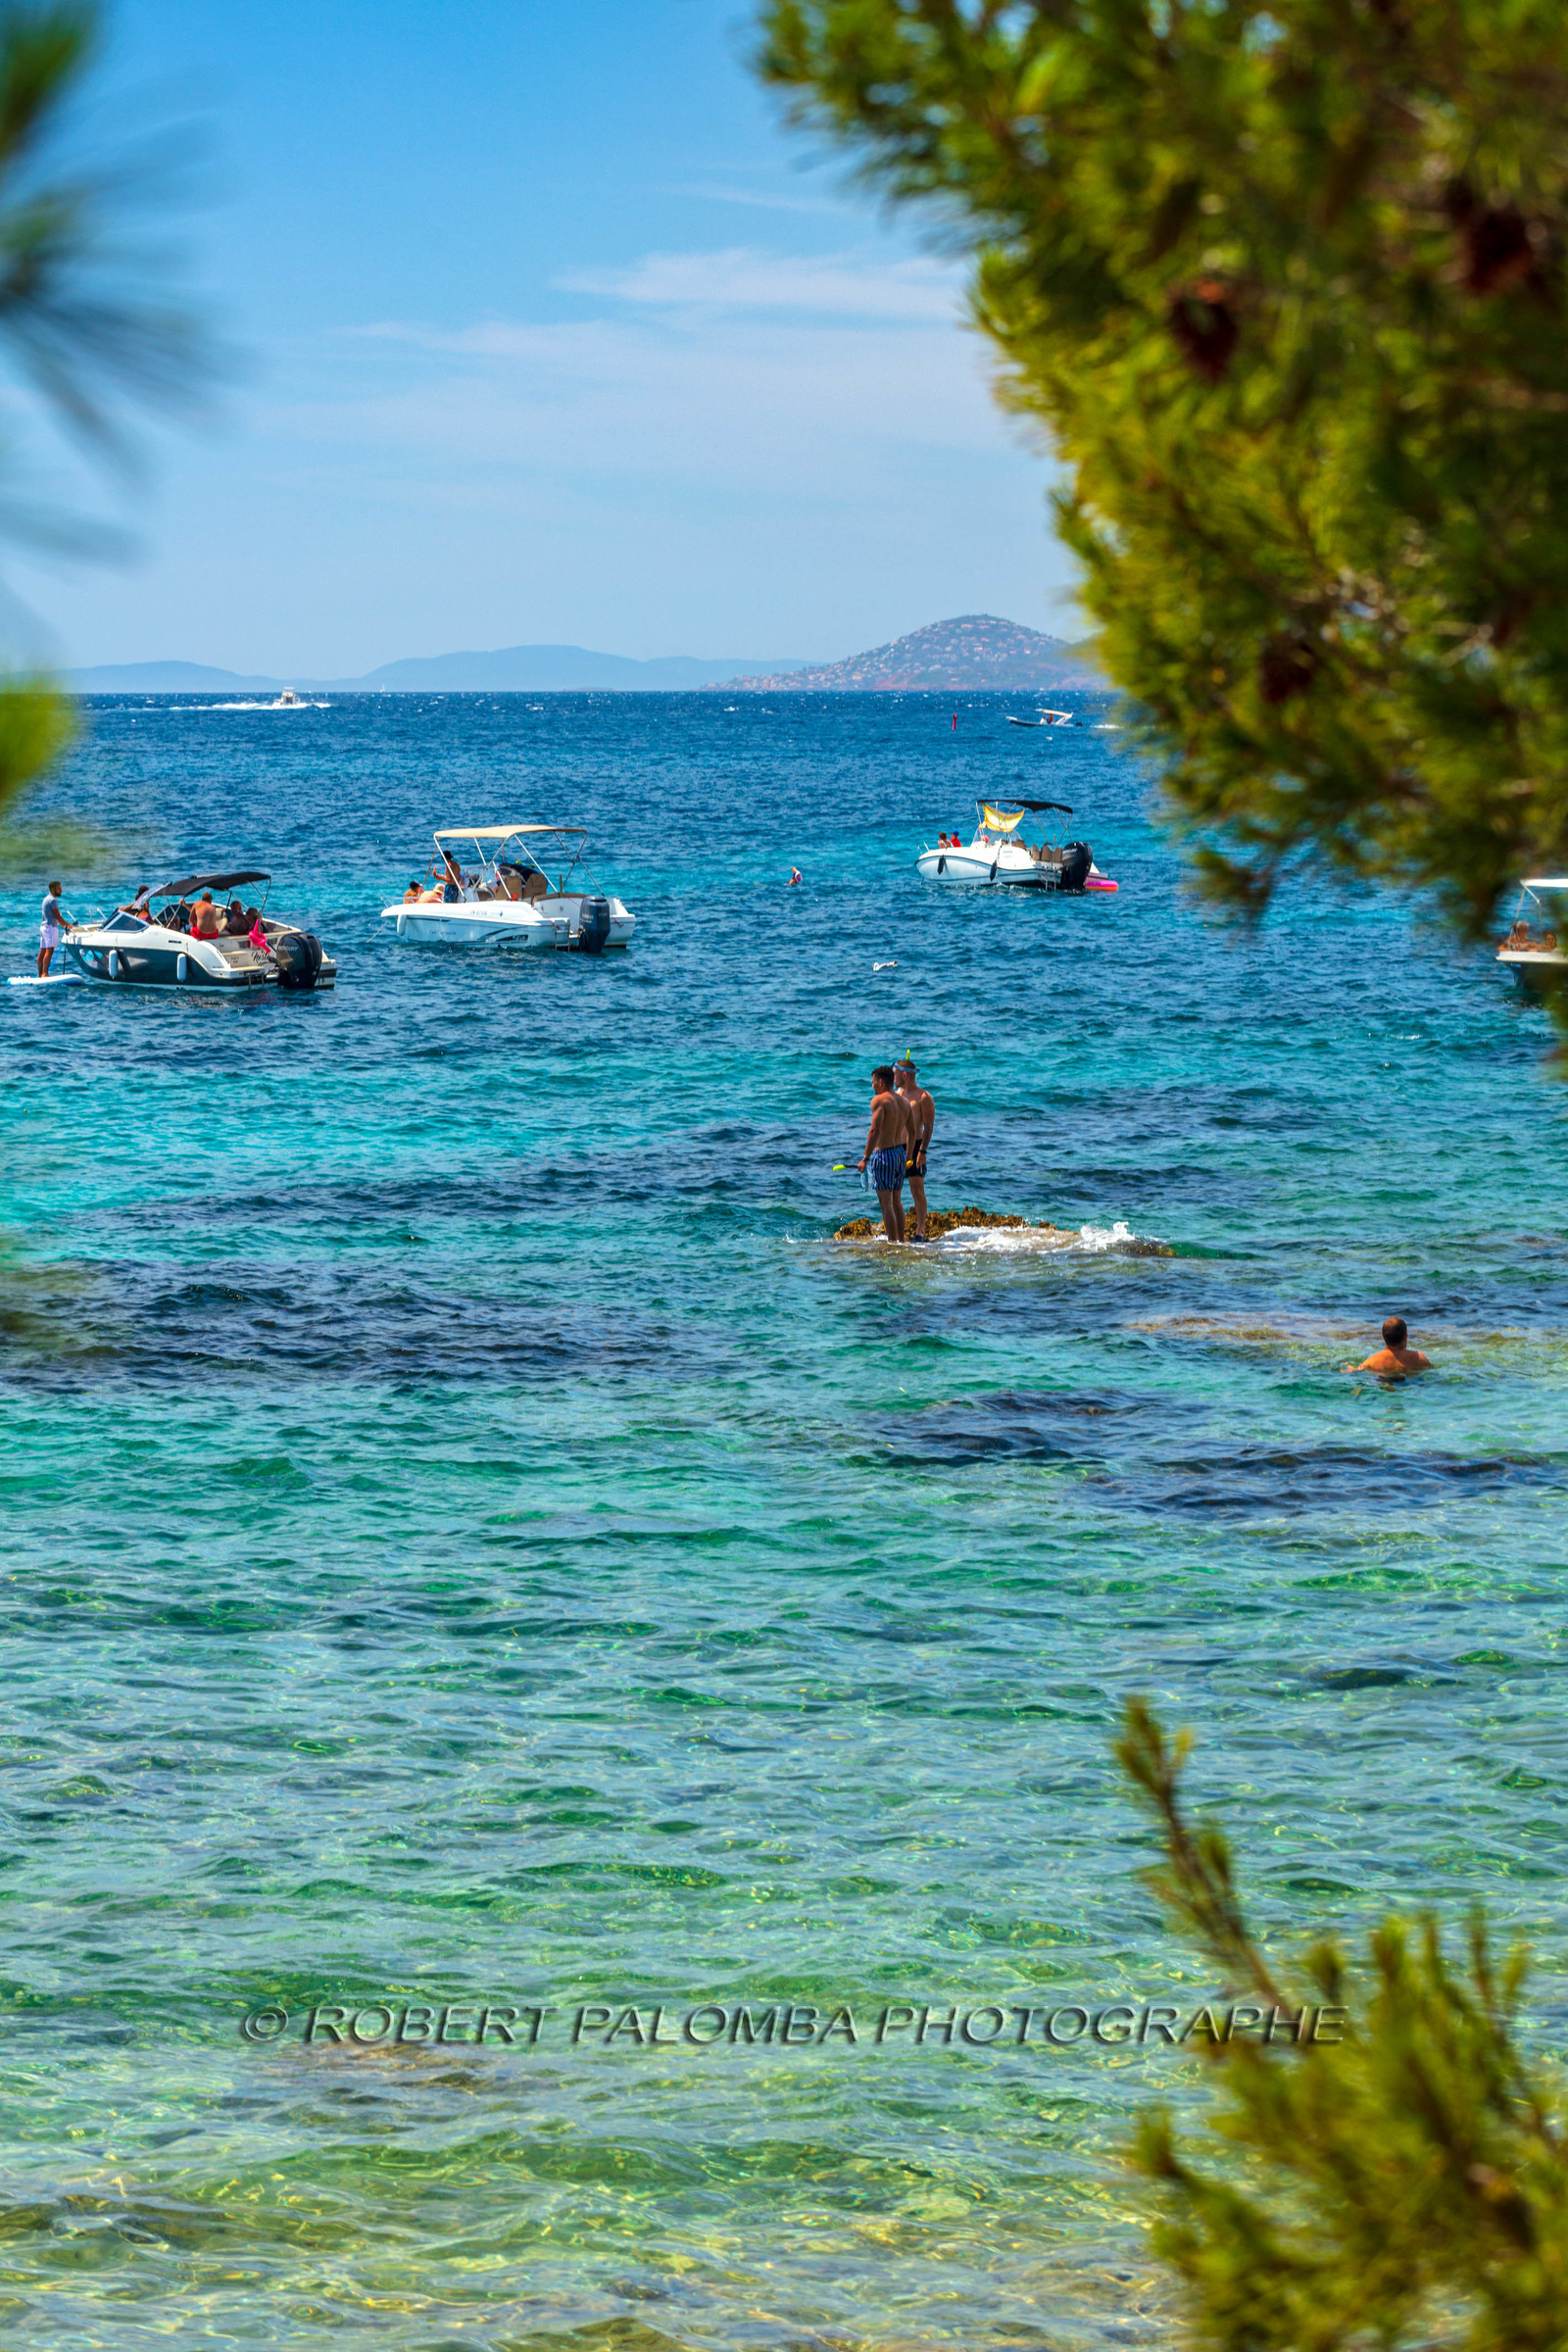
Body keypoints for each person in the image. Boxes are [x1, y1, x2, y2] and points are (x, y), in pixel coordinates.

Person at [857, 1064, 909, 1242]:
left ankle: (892, 1243)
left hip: (884, 1156)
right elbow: (913, 1132)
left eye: (873, 1082)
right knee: (897, 1202)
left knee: (885, 1203)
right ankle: (901, 1241)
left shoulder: (879, 1101)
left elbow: (874, 1131)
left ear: (880, 1082)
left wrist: (865, 1158)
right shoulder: (904, 1102)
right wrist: (907, 1155)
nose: (872, 1086)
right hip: (899, 1154)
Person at [895, 1054, 935, 1242]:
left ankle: (920, 1229)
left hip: (916, 1145)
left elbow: (928, 1126)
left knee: (916, 1188)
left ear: (904, 1075)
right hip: (896, 1147)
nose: (893, 1077)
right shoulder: (895, 1095)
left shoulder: (923, 1097)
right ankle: (895, 1228)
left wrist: (923, 1151)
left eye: (895, 1074)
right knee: (894, 1189)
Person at [1345, 1316, 1431, 1376]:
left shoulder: (1372, 1361)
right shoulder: (1420, 1358)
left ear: (1383, 1337)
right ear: (1405, 1337)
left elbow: (1354, 1371)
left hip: (1384, 1382)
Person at [37, 879, 74, 977]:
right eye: (58, 889)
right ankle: (45, 973)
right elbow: (57, 915)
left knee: (43, 951)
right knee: (49, 950)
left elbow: (52, 916)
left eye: (61, 888)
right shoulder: (53, 900)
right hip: (50, 928)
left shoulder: (46, 899)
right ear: (53, 889)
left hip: (44, 926)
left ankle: (40, 974)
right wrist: (67, 925)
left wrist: (63, 925)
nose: (61, 890)